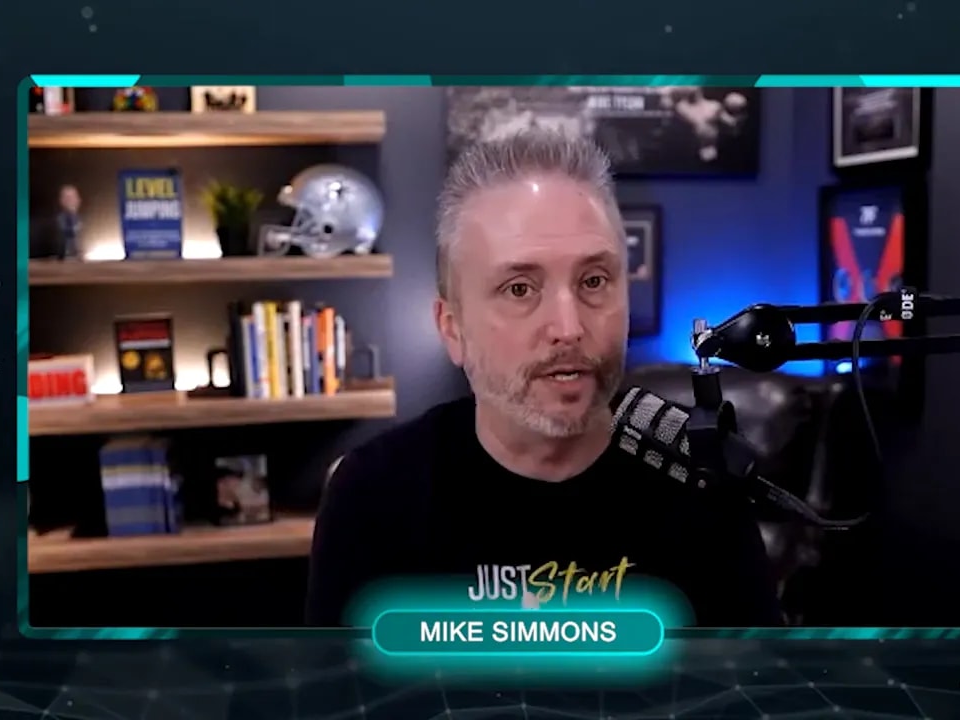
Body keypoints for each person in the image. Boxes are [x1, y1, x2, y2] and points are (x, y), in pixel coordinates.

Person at [305, 130, 781, 627]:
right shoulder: (374, 495)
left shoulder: (700, 475)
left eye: (593, 281)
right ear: (453, 328)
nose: (569, 328)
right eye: (519, 288)